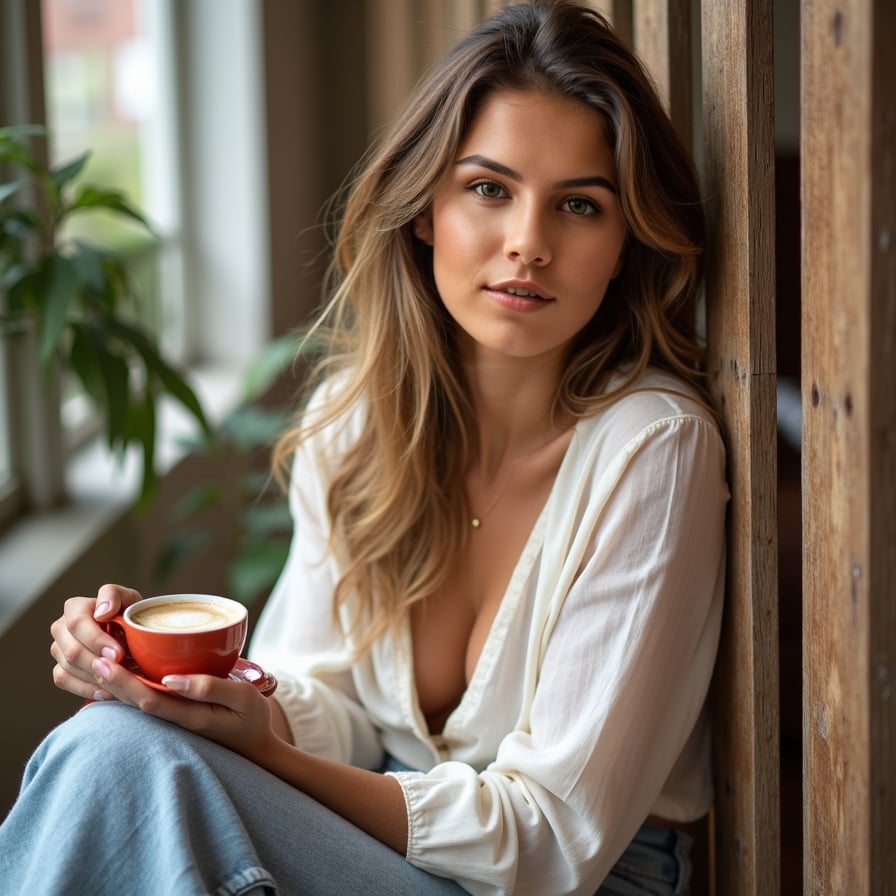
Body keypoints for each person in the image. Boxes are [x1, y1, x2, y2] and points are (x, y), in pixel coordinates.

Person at [0, 2, 728, 894]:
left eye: (579, 205)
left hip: (581, 881)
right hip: (387, 843)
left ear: (623, 246)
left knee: (120, 766)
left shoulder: (653, 448)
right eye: (489, 189)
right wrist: (184, 682)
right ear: (426, 211)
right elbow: (327, 700)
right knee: (119, 742)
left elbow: (551, 841)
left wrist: (274, 757)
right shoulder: (359, 421)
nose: (528, 244)